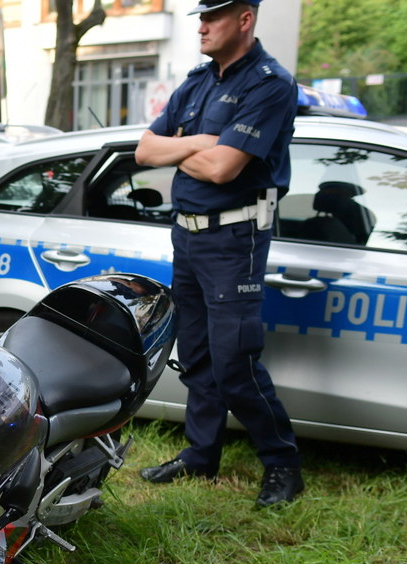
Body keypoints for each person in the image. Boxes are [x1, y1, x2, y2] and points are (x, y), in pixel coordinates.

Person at [133, 0, 303, 507]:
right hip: (186, 235)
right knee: (199, 355)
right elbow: (143, 152)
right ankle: (200, 455)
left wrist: (185, 146)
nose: (202, 26)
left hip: (235, 240)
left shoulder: (270, 83)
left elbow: (224, 168)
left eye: (214, 17)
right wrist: (202, 142)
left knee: (235, 362)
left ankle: (282, 463)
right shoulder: (197, 80)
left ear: (245, 20)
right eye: (201, 17)